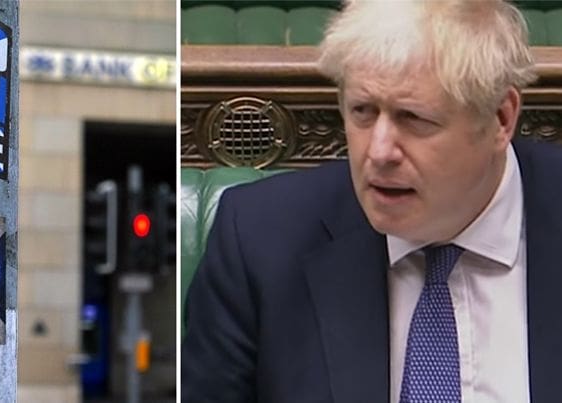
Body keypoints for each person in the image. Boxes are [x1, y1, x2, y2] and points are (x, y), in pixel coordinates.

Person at [181, 1, 562, 402]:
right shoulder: (259, 240)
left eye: (414, 118)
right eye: (362, 112)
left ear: (501, 119)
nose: (378, 153)